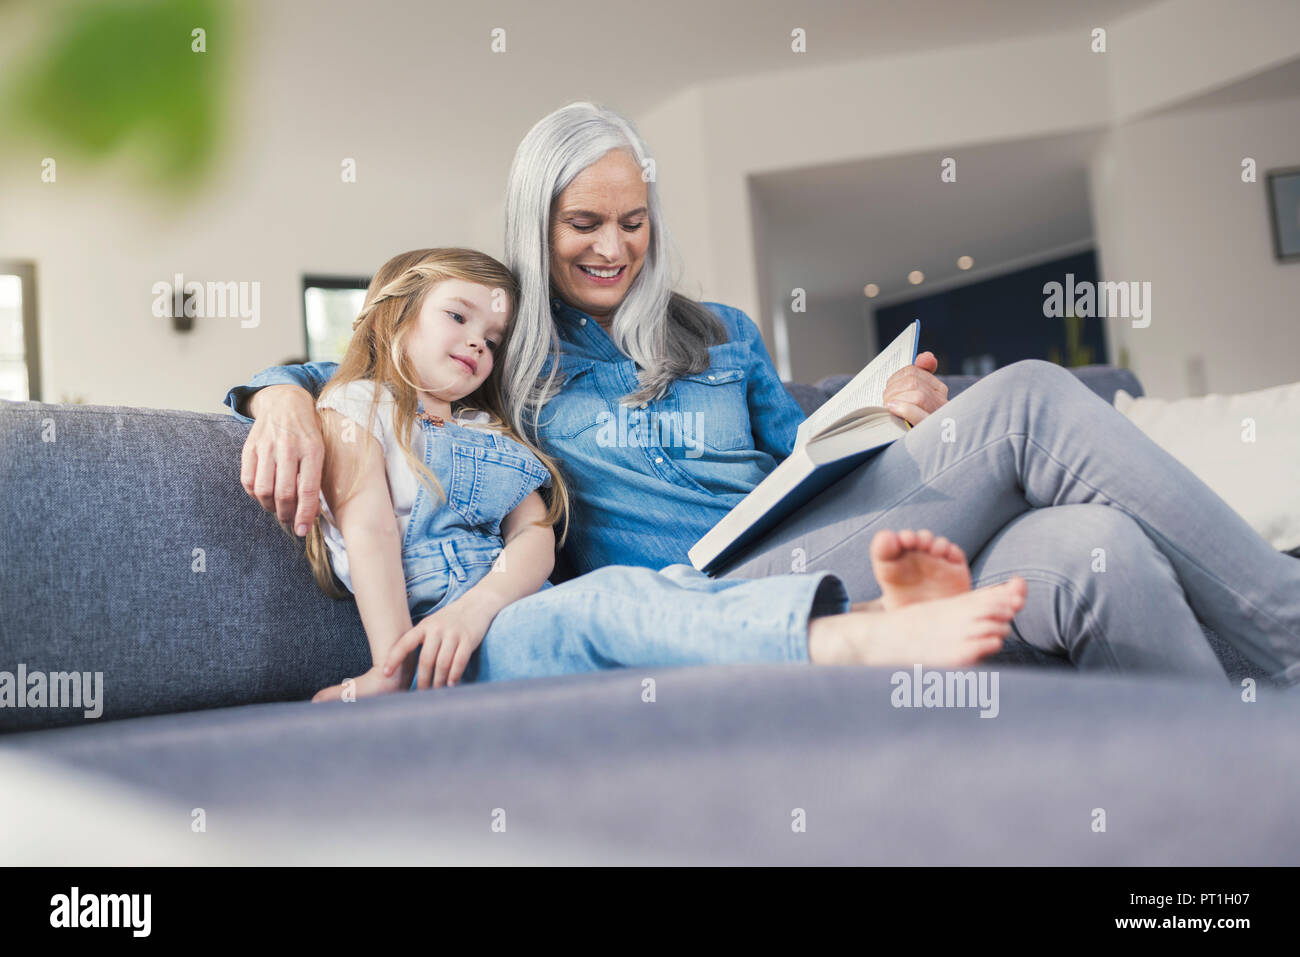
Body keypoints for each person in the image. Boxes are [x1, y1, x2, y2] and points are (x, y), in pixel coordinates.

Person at [226, 102, 1300, 687]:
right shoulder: (506, 358)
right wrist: (276, 394)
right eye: (582, 224)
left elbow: (810, 457)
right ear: (532, 229)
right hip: (713, 587)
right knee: (1027, 398)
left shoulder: (723, 335)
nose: (613, 246)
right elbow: (376, 365)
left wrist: (897, 419)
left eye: (632, 221)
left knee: (1088, 551)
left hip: (821, 534)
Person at [297, 246, 1026, 697]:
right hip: (447, 649)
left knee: (661, 590)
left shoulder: (491, 428)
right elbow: (369, 534)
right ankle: (859, 644)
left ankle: (875, 611)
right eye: (457, 317)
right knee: (607, 605)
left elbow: (534, 539)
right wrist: (388, 666)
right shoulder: (356, 407)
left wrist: (482, 601)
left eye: (491, 338)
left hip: (502, 610)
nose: (478, 346)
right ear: (392, 316)